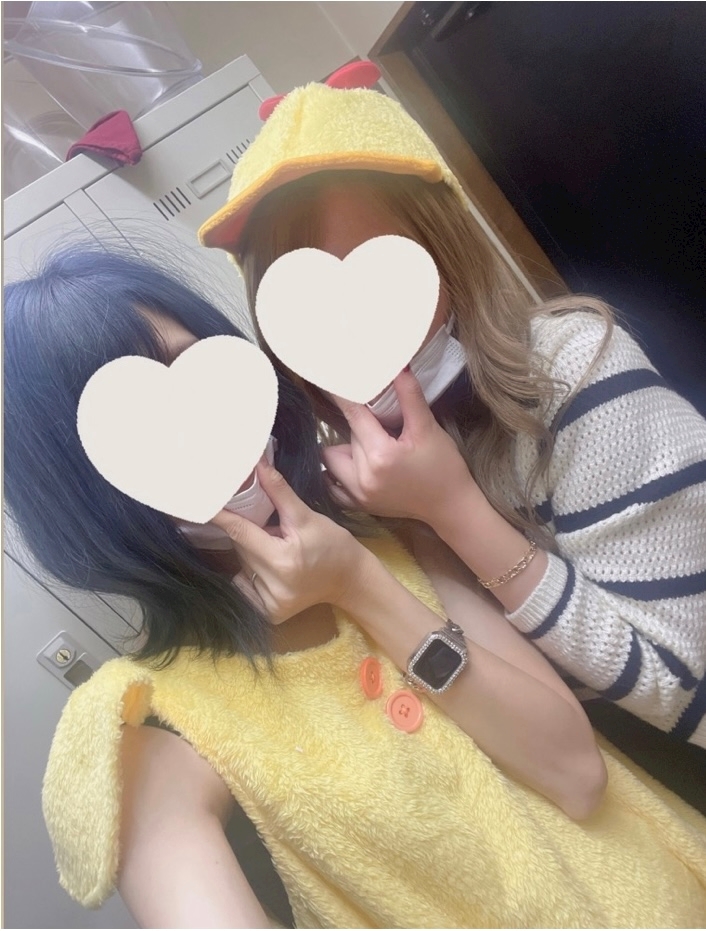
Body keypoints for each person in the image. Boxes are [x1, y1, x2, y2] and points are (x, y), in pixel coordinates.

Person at [6, 249, 706, 929]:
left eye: (198, 374)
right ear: (76, 490)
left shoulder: (392, 538)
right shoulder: (148, 726)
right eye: (143, 430)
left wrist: (360, 584)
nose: (206, 428)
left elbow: (576, 772)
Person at [199, 65, 706, 750]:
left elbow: (682, 684)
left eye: (380, 272)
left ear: (446, 249)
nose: (352, 324)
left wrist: (453, 509)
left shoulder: (571, 367)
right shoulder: (350, 468)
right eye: (309, 302)